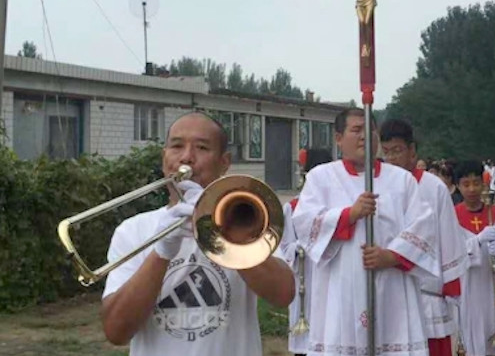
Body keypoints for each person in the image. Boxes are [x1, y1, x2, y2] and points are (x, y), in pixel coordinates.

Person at [101, 111, 295, 356]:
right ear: (164, 159)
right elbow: (116, 331)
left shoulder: (248, 221)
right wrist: (161, 251)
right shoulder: (132, 230)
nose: (186, 157)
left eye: (202, 148)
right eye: (177, 146)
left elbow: (283, 294)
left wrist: (221, 232)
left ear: (224, 163)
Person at [292, 108, 438, 356]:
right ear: (339, 138)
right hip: (340, 287)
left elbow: (424, 227)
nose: (364, 136)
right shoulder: (321, 178)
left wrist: (391, 256)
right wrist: (350, 215)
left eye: (369, 130)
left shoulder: (402, 181)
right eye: (356, 130)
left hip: (392, 287)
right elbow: (305, 224)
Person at [379, 119, 468, 356]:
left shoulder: (433, 187)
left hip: (427, 292)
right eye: (385, 152)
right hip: (390, 288)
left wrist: (451, 287)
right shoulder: (377, 186)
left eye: (397, 151)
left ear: (412, 150)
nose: (391, 159)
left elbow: (447, 236)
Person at [280, 148, 334, 356]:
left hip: (330, 276)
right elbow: (285, 247)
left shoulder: (339, 208)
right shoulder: (293, 207)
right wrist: (300, 249)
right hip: (306, 277)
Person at [453, 160, 495, 356]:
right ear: (457, 186)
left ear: (483, 184)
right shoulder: (453, 216)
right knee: (473, 331)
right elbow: (453, 252)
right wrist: (477, 242)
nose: (472, 189)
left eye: (476, 183)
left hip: (492, 282)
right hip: (469, 284)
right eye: (466, 184)